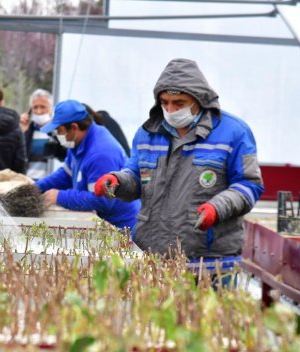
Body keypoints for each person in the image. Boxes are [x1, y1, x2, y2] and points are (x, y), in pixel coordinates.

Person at [94, 58, 264, 270]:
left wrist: (216, 207)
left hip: (209, 260)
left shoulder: (234, 133)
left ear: (199, 99)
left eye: (179, 103)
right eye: (164, 102)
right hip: (155, 256)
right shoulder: (148, 133)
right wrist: (117, 181)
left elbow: (249, 185)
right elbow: (137, 178)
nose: (171, 110)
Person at [35, 99, 140, 230]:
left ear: (73, 127)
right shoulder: (77, 144)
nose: (57, 135)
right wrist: (36, 187)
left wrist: (59, 196)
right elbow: (65, 175)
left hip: (122, 227)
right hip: (104, 223)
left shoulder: (101, 154)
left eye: (59, 130)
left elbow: (102, 201)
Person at [19, 89, 67, 180]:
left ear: (50, 108)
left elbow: (66, 154)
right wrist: (22, 132)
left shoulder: (58, 129)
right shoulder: (28, 130)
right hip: (28, 182)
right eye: (35, 107)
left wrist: (53, 131)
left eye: (43, 107)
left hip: (52, 183)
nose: (39, 111)